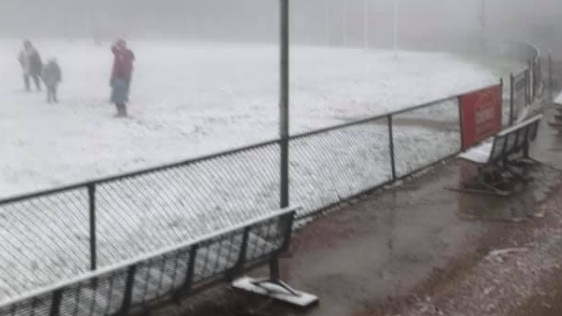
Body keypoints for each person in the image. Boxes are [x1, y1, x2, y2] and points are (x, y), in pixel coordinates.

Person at [110, 39, 135, 117]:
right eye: (119, 45)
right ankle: (120, 112)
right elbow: (113, 49)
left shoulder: (127, 54)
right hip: (118, 77)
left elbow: (127, 67)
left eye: (121, 45)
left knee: (120, 97)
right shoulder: (118, 53)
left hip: (122, 78)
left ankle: (122, 112)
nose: (120, 47)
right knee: (117, 97)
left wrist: (124, 77)